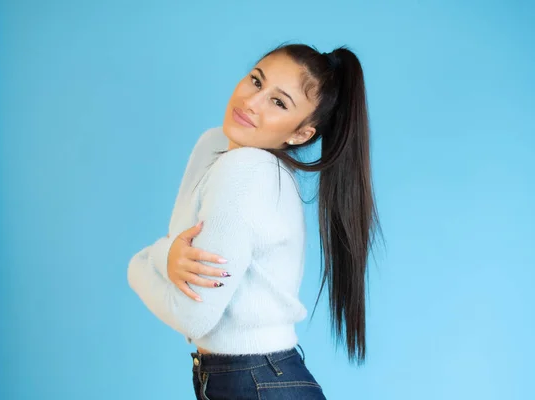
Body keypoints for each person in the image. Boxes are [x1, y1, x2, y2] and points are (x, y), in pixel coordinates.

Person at [128, 43, 382, 399]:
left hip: (255, 381)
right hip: (252, 378)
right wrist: (169, 252)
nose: (251, 102)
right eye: (256, 81)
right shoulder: (217, 146)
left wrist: (143, 261)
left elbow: (192, 315)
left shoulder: (247, 171)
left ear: (300, 134)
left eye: (279, 103)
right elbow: (182, 242)